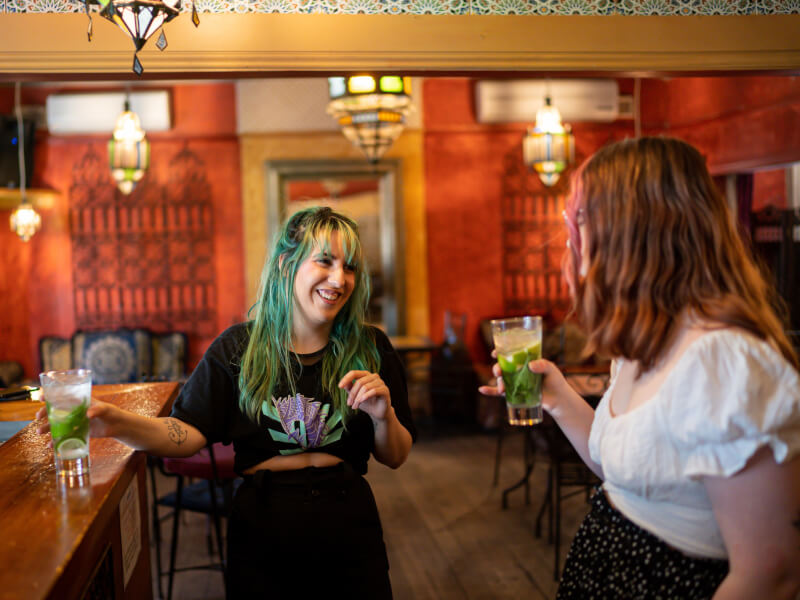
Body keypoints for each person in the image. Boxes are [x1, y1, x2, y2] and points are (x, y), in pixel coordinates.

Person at [38, 206, 416, 598]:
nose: (339, 279)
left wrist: (383, 416)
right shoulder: (238, 348)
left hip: (349, 521)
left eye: (350, 267)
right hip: (265, 523)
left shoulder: (372, 348)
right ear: (286, 264)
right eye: (325, 261)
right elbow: (186, 433)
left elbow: (396, 455)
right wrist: (115, 422)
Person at [480, 137, 800, 599]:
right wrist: (557, 395)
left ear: (634, 230)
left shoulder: (725, 362)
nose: (570, 235)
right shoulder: (641, 344)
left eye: (582, 217)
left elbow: (771, 575)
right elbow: (623, 470)